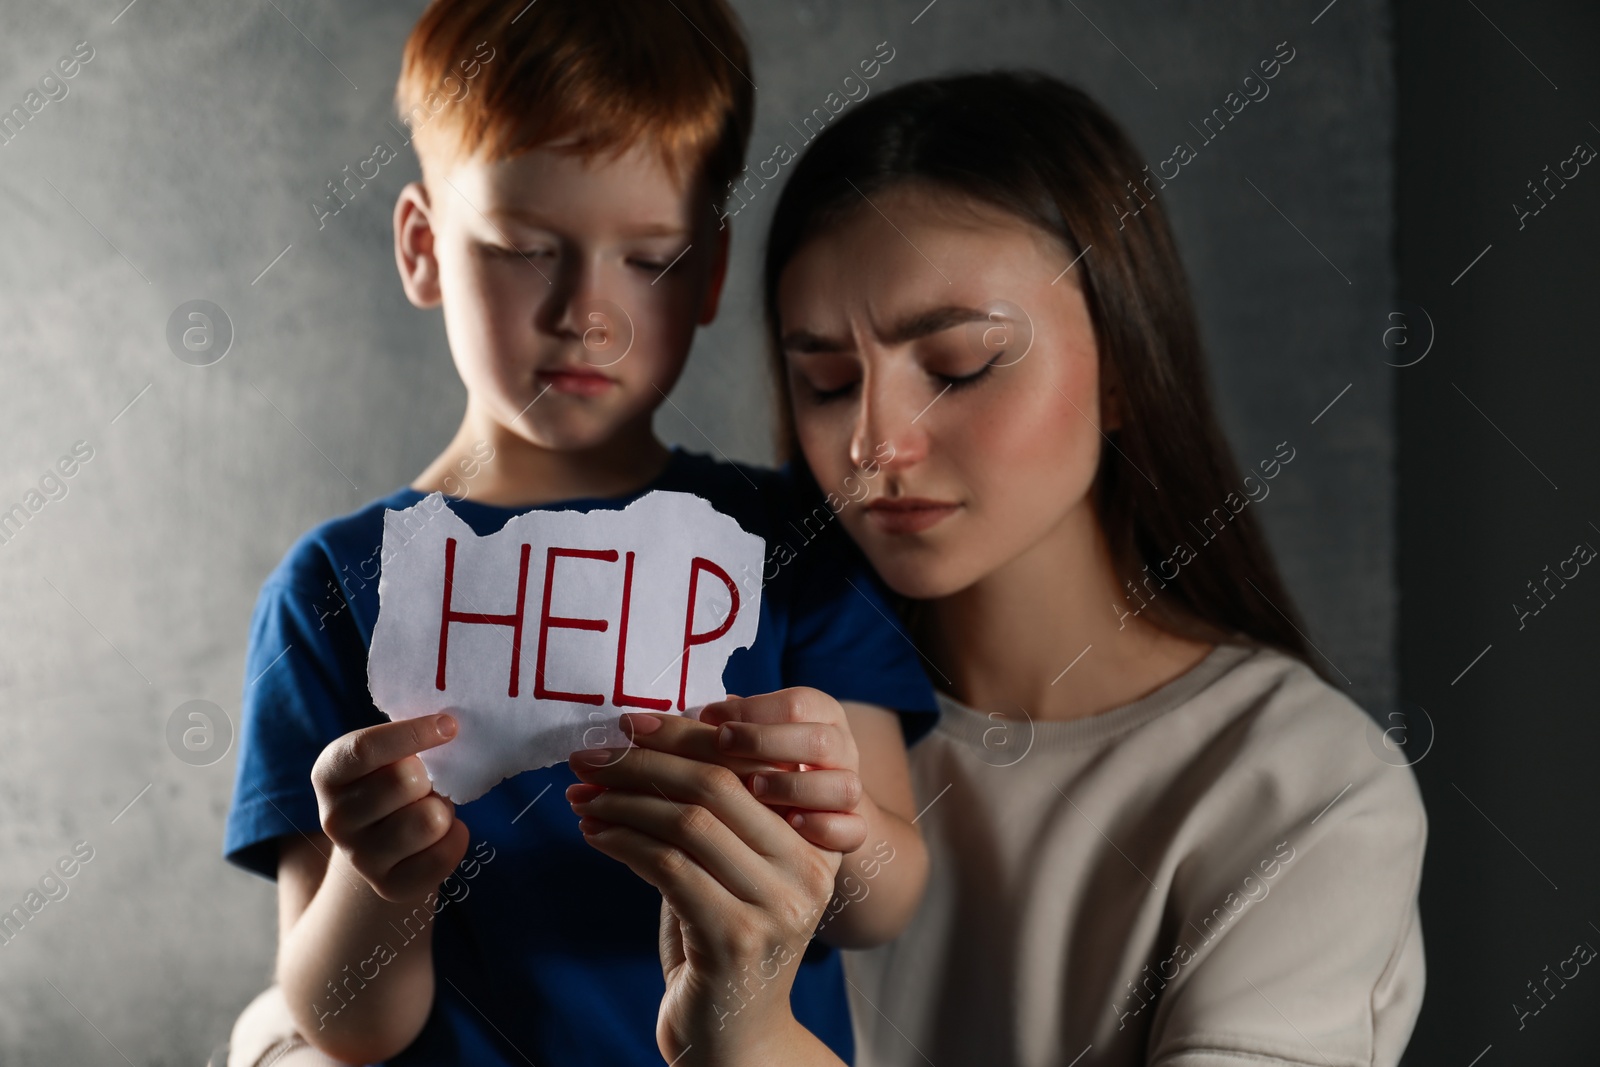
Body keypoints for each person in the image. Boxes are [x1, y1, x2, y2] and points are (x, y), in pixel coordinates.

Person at [562, 71, 1428, 1067]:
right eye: (826, 382)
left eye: (960, 364)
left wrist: (754, 1038)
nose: (874, 444)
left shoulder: (1300, 786)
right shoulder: (748, 724)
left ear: (1124, 368)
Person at [220, 3, 939, 1064]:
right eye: (521, 248)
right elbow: (344, 1022)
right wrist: (379, 880)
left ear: (706, 276)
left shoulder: (793, 544)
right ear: (422, 247)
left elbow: (879, 905)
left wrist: (839, 819)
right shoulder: (334, 584)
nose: (585, 313)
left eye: (648, 259)